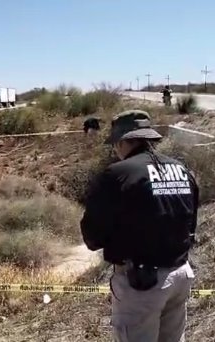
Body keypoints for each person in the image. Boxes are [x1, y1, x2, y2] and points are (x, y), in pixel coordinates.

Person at [80, 110, 200, 342]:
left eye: (116, 143)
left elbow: (92, 235)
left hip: (142, 285)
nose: (115, 150)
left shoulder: (118, 174)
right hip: (180, 274)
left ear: (124, 141)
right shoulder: (182, 170)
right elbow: (190, 222)